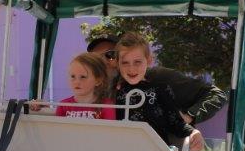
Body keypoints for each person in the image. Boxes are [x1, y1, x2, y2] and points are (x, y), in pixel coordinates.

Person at [86, 32, 227, 125]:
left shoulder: (159, 77)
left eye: (110, 55)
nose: (103, 61)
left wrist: (190, 116)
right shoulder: (92, 91)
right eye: (95, 58)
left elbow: (216, 94)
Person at [114, 32, 204, 151]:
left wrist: (193, 132)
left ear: (149, 60)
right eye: (125, 63)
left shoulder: (160, 89)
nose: (131, 68)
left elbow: (176, 123)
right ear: (117, 64)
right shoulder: (114, 91)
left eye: (137, 62)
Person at [54, 52, 116, 120]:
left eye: (83, 77)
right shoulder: (63, 105)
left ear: (98, 81)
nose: (76, 82)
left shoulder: (106, 106)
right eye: (73, 76)